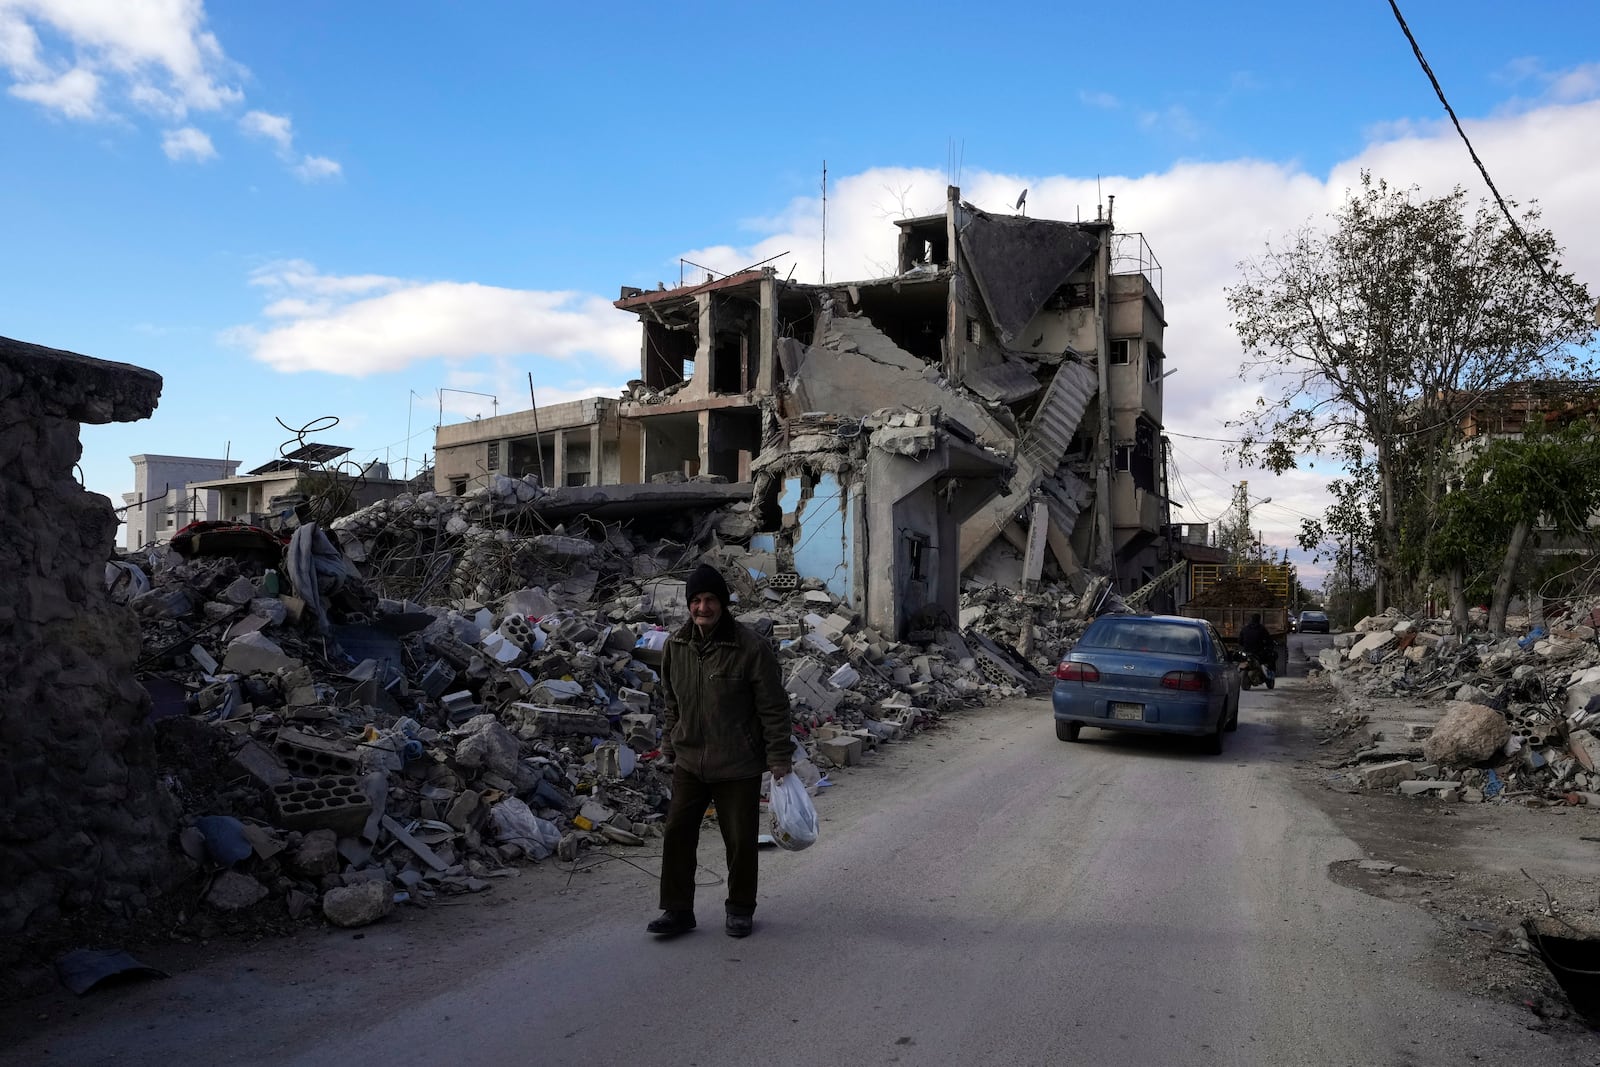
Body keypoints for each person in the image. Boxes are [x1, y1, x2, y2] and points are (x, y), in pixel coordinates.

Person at [647, 562, 793, 939]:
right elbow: (671, 702)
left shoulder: (749, 648)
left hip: (738, 762)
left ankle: (741, 908)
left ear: (724, 603)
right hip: (689, 760)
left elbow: (773, 707)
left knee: (740, 840)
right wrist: (669, 744)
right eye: (695, 600)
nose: (702, 608)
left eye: (710, 599)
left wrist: (778, 757)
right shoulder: (676, 646)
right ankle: (677, 910)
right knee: (677, 834)